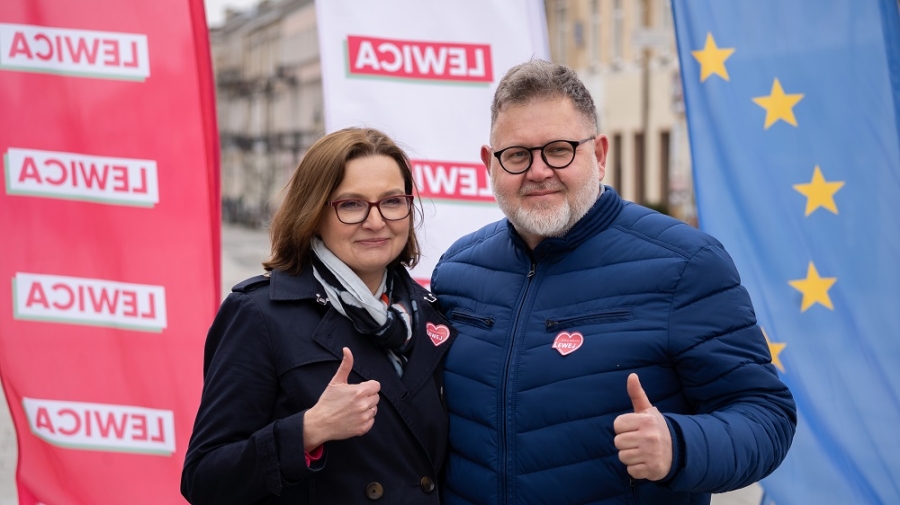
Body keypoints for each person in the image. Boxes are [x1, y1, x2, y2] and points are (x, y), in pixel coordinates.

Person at [430, 60, 796, 504]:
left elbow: (767, 416)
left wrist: (679, 446)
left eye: (560, 150)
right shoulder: (458, 273)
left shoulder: (685, 264)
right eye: (517, 155)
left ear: (600, 155)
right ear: (490, 164)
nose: (538, 171)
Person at [182, 127, 456, 504]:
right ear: (314, 211)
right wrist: (308, 430)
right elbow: (204, 479)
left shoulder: (429, 315)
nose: (376, 221)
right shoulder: (260, 314)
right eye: (351, 204)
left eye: (392, 201)